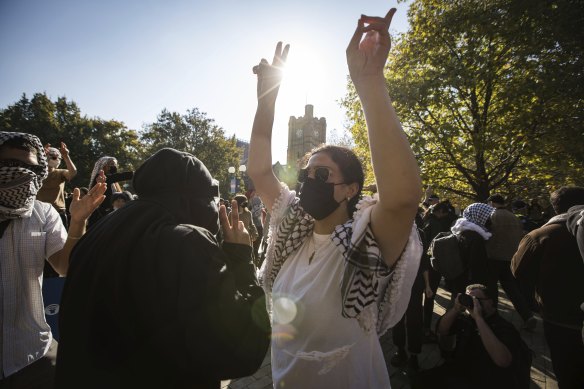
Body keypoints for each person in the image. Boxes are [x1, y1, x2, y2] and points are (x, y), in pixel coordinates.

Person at [248, 7, 422, 388]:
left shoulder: (367, 240)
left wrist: (370, 80)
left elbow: (404, 198)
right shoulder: (292, 229)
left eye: (323, 174)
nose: (310, 180)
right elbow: (260, 172)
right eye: (307, 172)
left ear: (350, 189)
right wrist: (267, 100)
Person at [55, 148, 271, 388]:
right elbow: (242, 351)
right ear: (194, 196)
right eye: (211, 197)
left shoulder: (100, 229)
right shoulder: (188, 240)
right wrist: (241, 258)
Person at [0, 131, 106, 388]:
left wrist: (78, 222)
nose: (22, 174)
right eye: (12, 166)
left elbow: (64, 265)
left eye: (29, 167)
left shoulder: (43, 212)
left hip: (33, 352)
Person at [512, 186, 584, 388]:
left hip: (560, 319)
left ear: (555, 207)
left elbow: (518, 271)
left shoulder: (541, 236)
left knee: (568, 374)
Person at [412, 284, 530, 389]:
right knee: (419, 380)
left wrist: (479, 319)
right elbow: (441, 330)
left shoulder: (504, 327)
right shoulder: (467, 318)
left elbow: (503, 360)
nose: (474, 303)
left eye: (477, 300)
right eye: (470, 298)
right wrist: (455, 309)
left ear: (491, 302)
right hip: (461, 371)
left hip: (487, 380)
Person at [485, 194, 535, 330]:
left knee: (491, 288)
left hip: (493, 256)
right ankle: (527, 316)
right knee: (512, 288)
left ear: (491, 203)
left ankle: (492, 318)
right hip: (510, 257)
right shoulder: (513, 217)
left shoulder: (491, 216)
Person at [447, 203, 497, 302]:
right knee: (460, 307)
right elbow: (476, 264)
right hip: (469, 283)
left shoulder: (462, 230)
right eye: (488, 217)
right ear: (479, 215)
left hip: (460, 278)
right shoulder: (475, 236)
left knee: (456, 305)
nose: (490, 220)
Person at [421, 200, 454, 341]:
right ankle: (426, 330)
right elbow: (435, 249)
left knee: (421, 297)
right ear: (440, 212)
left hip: (421, 265)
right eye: (445, 213)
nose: (446, 216)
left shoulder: (425, 220)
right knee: (429, 298)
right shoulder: (436, 225)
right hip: (431, 267)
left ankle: (420, 327)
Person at [36, 142, 78, 228]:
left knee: (60, 240)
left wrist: (66, 156)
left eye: (59, 158)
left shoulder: (60, 173)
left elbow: (72, 172)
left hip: (58, 212)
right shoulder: (37, 173)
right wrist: (39, 157)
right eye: (54, 157)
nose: (56, 159)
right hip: (39, 213)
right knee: (37, 237)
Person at [87, 156, 133, 227]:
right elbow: (119, 176)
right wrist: (134, 173)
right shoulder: (100, 177)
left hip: (111, 213)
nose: (113, 166)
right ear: (103, 165)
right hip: (100, 214)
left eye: (114, 164)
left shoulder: (113, 181)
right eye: (110, 164)